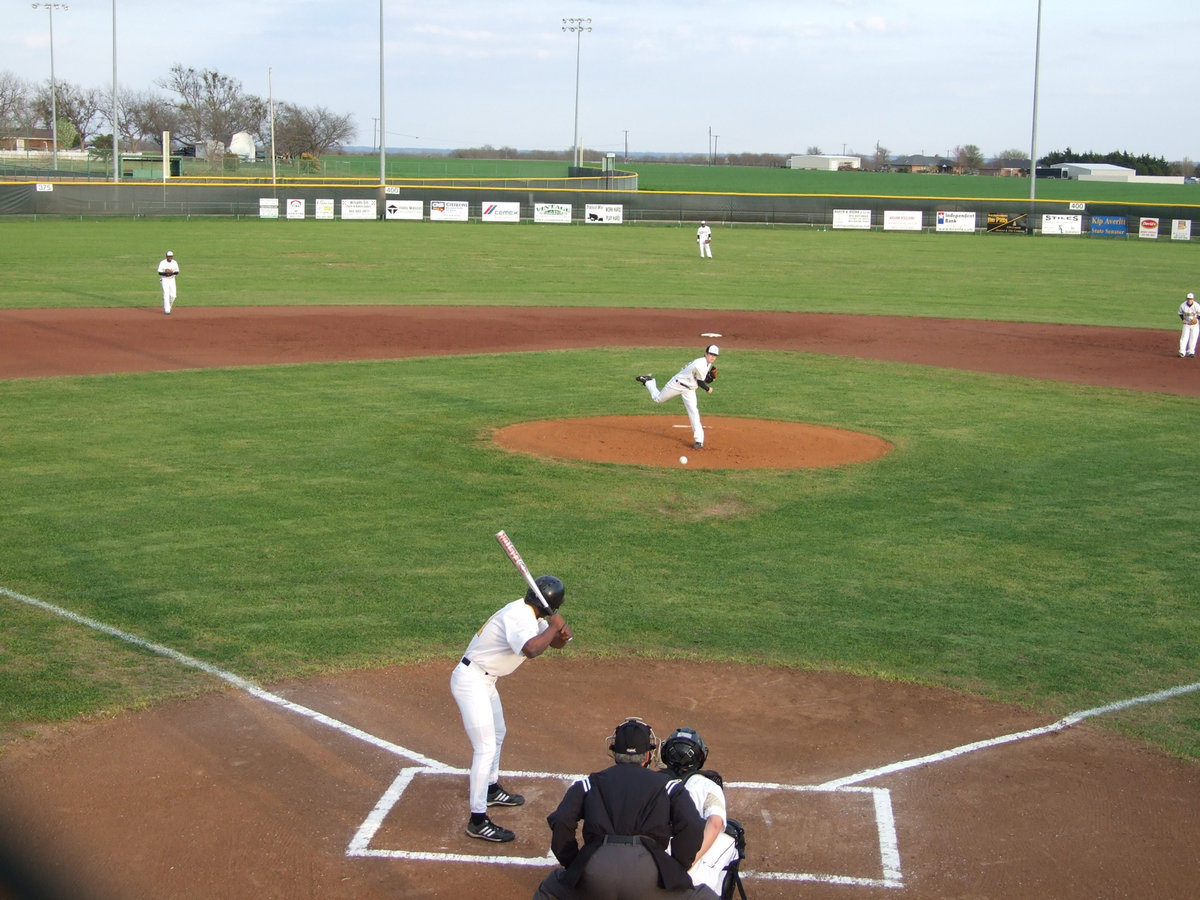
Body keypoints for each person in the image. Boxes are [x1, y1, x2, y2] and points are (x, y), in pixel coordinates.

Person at [534, 717, 719, 899]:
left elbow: (562, 820)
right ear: (648, 755)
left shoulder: (589, 783)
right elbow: (692, 825)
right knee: (705, 896)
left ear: (614, 753)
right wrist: (676, 868)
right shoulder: (668, 786)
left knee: (548, 889)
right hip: (649, 875)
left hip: (596, 872)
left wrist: (575, 864)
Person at [451, 575, 572, 843]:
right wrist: (554, 627)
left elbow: (550, 641)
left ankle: (491, 789)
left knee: (498, 732)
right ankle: (477, 820)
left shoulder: (530, 612)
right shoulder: (518, 615)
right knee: (484, 748)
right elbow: (531, 649)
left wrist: (561, 634)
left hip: (486, 680)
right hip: (471, 681)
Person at [660, 728, 744, 898]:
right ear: (700, 757)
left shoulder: (650, 781)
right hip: (690, 872)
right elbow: (715, 823)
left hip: (652, 867)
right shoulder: (708, 786)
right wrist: (687, 864)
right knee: (732, 835)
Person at [635, 345, 720, 450]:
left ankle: (699, 440)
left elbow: (699, 379)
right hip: (677, 384)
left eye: (715, 355)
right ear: (706, 353)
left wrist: (709, 379)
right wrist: (708, 389)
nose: (713, 357)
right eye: (711, 354)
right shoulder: (700, 364)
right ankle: (649, 381)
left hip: (689, 389)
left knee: (694, 411)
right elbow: (700, 382)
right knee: (658, 399)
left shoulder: (707, 364)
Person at [157, 250, 179, 315]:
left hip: (172, 279)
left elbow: (177, 272)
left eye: (171, 256)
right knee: (166, 294)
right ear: (166, 256)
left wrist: (171, 272)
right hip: (165, 279)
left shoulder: (174, 262)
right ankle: (167, 310)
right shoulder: (162, 263)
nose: (170, 258)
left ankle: (169, 306)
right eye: (169, 256)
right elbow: (159, 272)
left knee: (173, 295)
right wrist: (166, 273)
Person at [1178, 291, 1199, 358]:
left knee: (1194, 337)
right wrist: (1183, 320)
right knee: (1184, 337)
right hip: (1186, 323)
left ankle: (1191, 352)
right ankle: (1182, 352)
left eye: (1191, 299)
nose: (1189, 300)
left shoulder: (1197, 306)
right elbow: (1180, 313)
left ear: (1193, 299)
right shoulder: (1183, 305)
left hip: (1195, 325)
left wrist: (1196, 319)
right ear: (1186, 299)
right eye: (1188, 299)